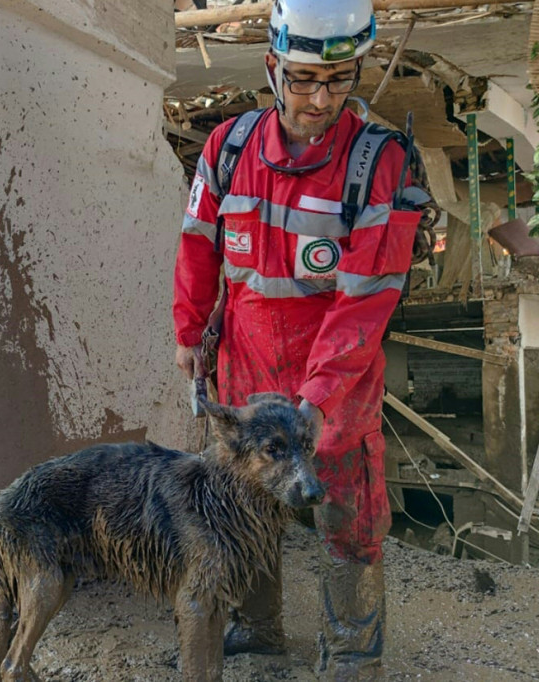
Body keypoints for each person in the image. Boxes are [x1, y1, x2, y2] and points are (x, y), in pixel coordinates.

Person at [172, 0, 422, 678]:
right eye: (305, 78)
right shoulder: (229, 148)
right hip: (245, 375)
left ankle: (350, 657)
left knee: (348, 518)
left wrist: (317, 397)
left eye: (339, 80)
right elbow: (199, 246)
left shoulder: (379, 165)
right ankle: (259, 631)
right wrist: (189, 333)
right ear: (272, 65)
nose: (320, 99)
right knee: (245, 509)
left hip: (335, 385)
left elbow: (365, 300)